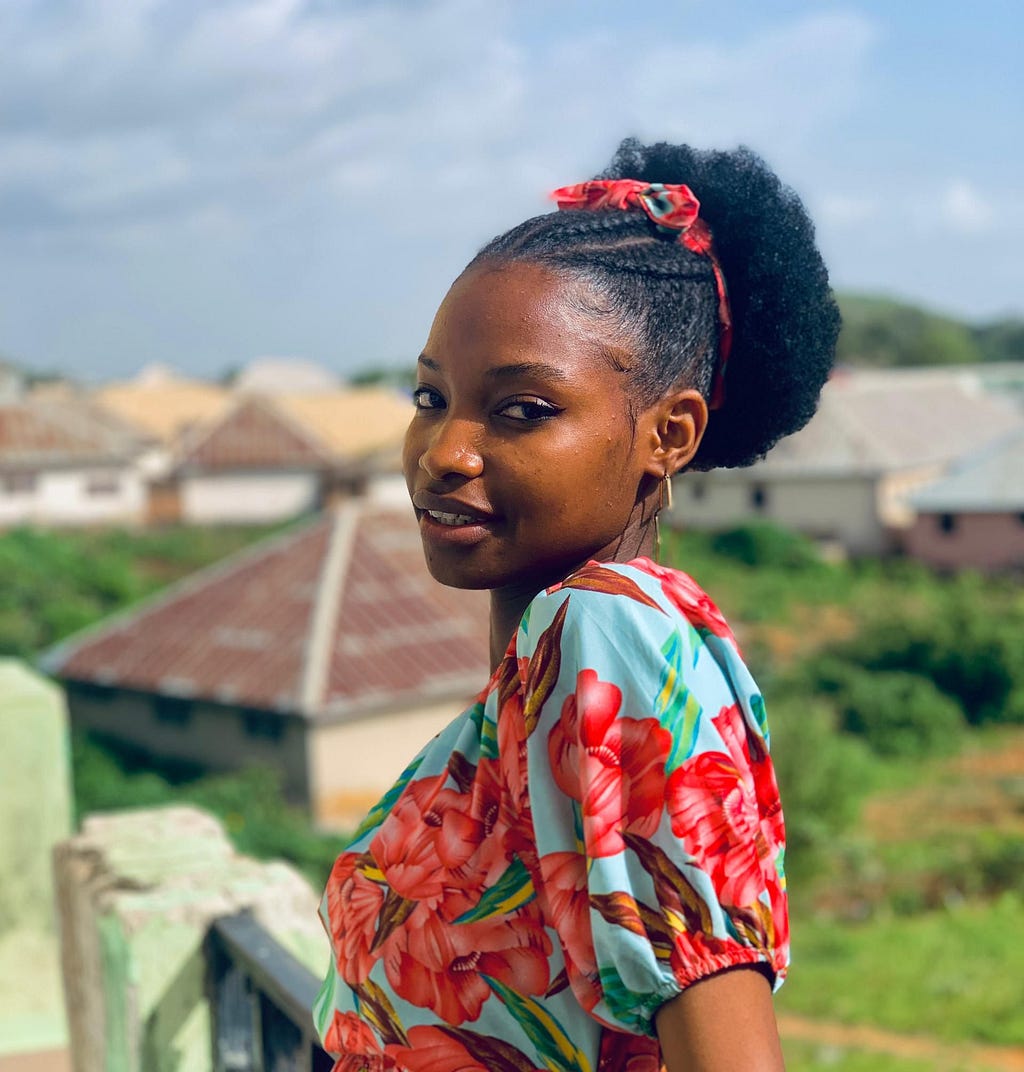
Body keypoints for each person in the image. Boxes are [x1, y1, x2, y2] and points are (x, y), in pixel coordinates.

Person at [314, 138, 840, 1071]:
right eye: (431, 396)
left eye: (522, 410)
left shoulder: (607, 634)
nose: (445, 451)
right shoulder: (544, 663)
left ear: (668, 434)